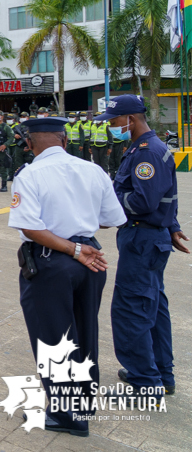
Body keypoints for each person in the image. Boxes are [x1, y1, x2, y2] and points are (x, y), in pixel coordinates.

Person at [8, 116, 126, 437]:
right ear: (64, 138)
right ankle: (83, 404)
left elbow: (29, 227)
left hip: (53, 261)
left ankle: (66, 415)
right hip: (91, 260)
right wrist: (80, 220)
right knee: (85, 332)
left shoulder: (29, 174)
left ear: (30, 144)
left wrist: (71, 248)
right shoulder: (94, 170)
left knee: (54, 339)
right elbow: (111, 218)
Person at [97, 95, 188, 398]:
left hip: (142, 239)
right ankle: (161, 375)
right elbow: (168, 195)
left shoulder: (146, 153)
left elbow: (143, 201)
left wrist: (110, 203)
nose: (111, 127)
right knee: (154, 308)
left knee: (131, 309)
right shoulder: (149, 148)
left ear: (130, 121)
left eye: (113, 122)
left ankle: (144, 383)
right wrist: (171, 227)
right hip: (152, 238)